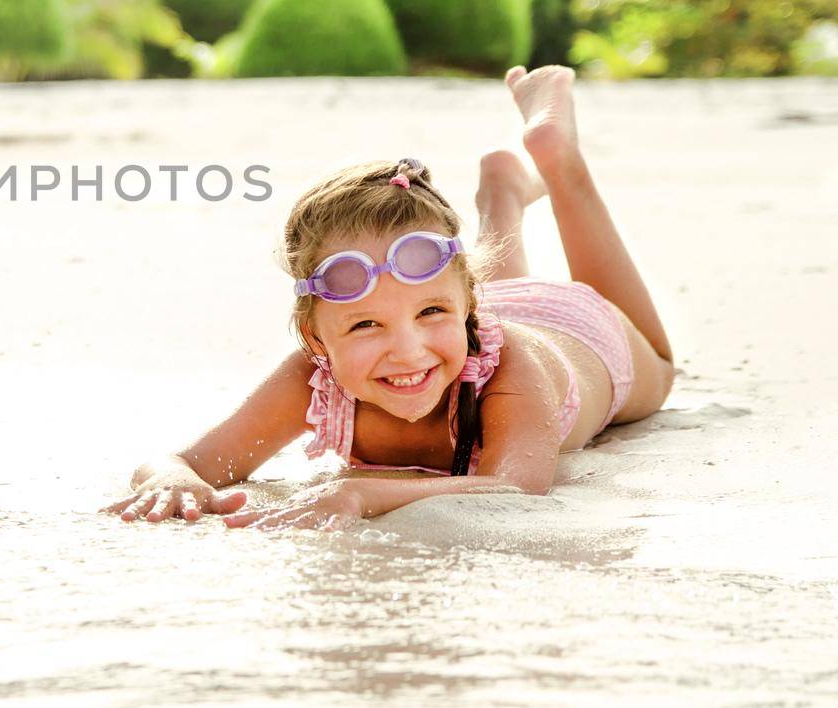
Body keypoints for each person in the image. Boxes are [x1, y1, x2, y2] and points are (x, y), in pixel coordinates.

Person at [102, 64, 677, 531]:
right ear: (315, 339)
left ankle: (558, 159)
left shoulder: (512, 370)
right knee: (447, 302)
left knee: (662, 363)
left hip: (588, 338)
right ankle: (501, 194)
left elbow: (517, 485)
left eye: (431, 312)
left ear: (470, 310)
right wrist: (174, 481)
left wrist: (359, 493)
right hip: (486, 303)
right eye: (365, 326)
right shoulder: (313, 377)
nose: (408, 352)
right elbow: (190, 462)